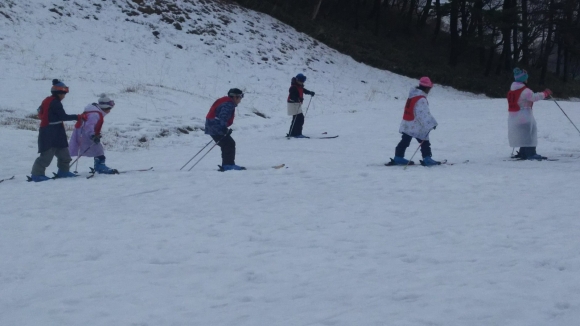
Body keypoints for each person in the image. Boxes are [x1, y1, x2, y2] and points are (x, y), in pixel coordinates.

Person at [29, 79, 82, 182]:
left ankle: (63, 171)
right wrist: (78, 116)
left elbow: (40, 111)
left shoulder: (48, 100)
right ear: (58, 93)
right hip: (49, 132)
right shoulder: (55, 103)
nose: (64, 96)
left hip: (56, 131)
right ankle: (37, 174)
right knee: (47, 155)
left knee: (64, 153)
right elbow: (63, 116)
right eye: (63, 94)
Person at [389, 77, 439, 166]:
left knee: (405, 140)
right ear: (427, 88)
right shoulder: (421, 99)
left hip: (408, 123)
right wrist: (431, 124)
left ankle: (398, 157)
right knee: (424, 141)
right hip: (416, 125)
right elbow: (423, 114)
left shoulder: (413, 96)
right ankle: (427, 158)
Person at [508, 68, 552, 160]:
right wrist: (545, 93)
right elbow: (534, 97)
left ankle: (523, 152)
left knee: (523, 134)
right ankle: (530, 153)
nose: (527, 80)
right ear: (523, 79)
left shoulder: (512, 89)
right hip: (524, 115)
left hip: (514, 116)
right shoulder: (525, 90)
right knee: (530, 134)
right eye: (526, 78)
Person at [69, 94, 117, 174]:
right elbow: (89, 126)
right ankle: (100, 167)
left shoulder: (95, 111)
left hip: (85, 133)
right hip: (85, 134)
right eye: (109, 109)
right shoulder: (95, 114)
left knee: (98, 149)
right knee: (99, 150)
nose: (109, 111)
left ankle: (98, 166)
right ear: (105, 108)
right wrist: (93, 135)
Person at [204, 88, 246, 171]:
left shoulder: (226, 101)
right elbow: (223, 116)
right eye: (240, 97)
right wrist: (224, 129)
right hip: (216, 126)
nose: (240, 100)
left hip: (213, 125)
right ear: (235, 97)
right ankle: (228, 165)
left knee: (227, 144)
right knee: (229, 144)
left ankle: (227, 164)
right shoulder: (228, 104)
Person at [287, 73, 315, 138]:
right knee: (299, 118)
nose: (302, 82)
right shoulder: (293, 87)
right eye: (301, 81)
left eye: (303, 81)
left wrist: (310, 92)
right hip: (292, 104)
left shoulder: (299, 86)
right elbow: (292, 96)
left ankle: (292, 133)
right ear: (297, 80)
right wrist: (298, 98)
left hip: (296, 104)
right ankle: (297, 133)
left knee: (297, 119)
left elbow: (303, 90)